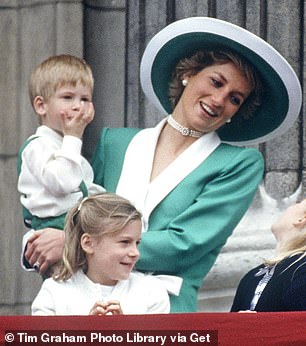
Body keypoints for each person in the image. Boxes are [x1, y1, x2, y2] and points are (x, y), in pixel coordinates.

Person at [23, 17, 302, 312]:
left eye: (235, 98)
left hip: (165, 313)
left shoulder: (238, 164)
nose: (219, 100)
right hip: (83, 306)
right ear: (188, 74)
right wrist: (41, 241)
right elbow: (73, 207)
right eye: (216, 82)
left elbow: (185, 245)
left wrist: (73, 241)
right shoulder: (115, 143)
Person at [18, 55, 105, 274]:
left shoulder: (67, 147)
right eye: (67, 97)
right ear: (41, 105)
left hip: (77, 226)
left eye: (85, 99)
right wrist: (74, 136)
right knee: (66, 295)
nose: (78, 106)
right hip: (54, 227)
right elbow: (63, 182)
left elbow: (86, 188)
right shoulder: (37, 147)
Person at [31, 193, 180, 315]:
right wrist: (87, 334)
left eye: (137, 243)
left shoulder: (152, 292)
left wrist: (123, 334)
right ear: (88, 243)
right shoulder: (54, 292)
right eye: (125, 242)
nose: (135, 253)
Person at [231, 199, 306, 312]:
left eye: (298, 203)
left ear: (301, 219)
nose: (291, 206)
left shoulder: (302, 269)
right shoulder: (253, 274)